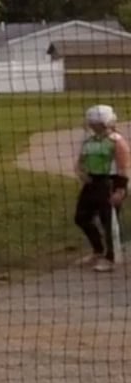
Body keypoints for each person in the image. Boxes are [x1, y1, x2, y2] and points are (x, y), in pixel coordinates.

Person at [74, 104, 131, 274]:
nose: (92, 125)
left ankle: (111, 258)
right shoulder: (89, 140)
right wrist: (81, 172)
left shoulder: (116, 141)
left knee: (109, 221)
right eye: (91, 122)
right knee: (81, 217)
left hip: (110, 183)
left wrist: (120, 190)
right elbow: (80, 161)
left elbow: (123, 167)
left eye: (95, 123)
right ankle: (97, 250)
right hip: (92, 183)